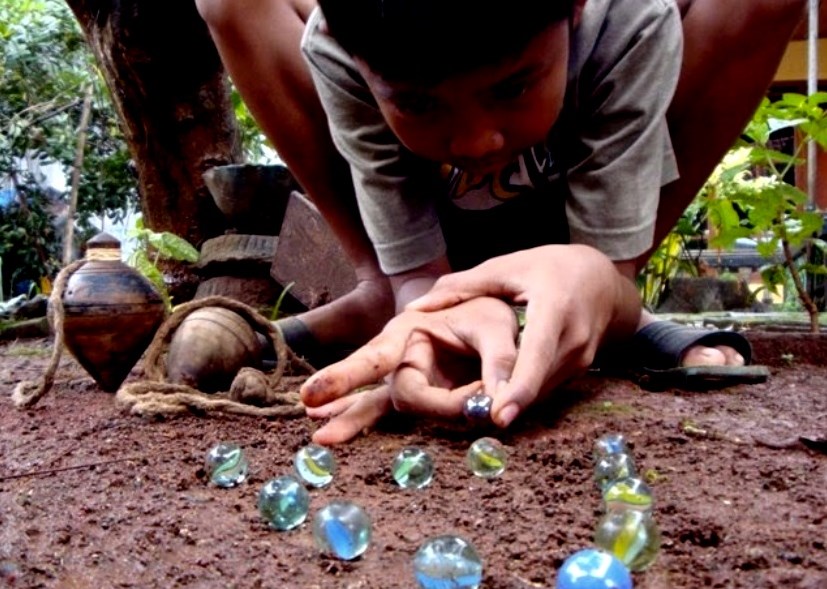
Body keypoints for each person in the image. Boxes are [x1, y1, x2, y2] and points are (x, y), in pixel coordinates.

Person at [196, 0, 807, 444]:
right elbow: (423, 280)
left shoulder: (628, 20)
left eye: (513, 87)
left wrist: (599, 274)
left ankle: (602, 308)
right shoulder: (341, 40)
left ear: (573, 9)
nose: (475, 139)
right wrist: (422, 300)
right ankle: (378, 289)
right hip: (426, 249)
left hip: (579, 239)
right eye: (418, 104)